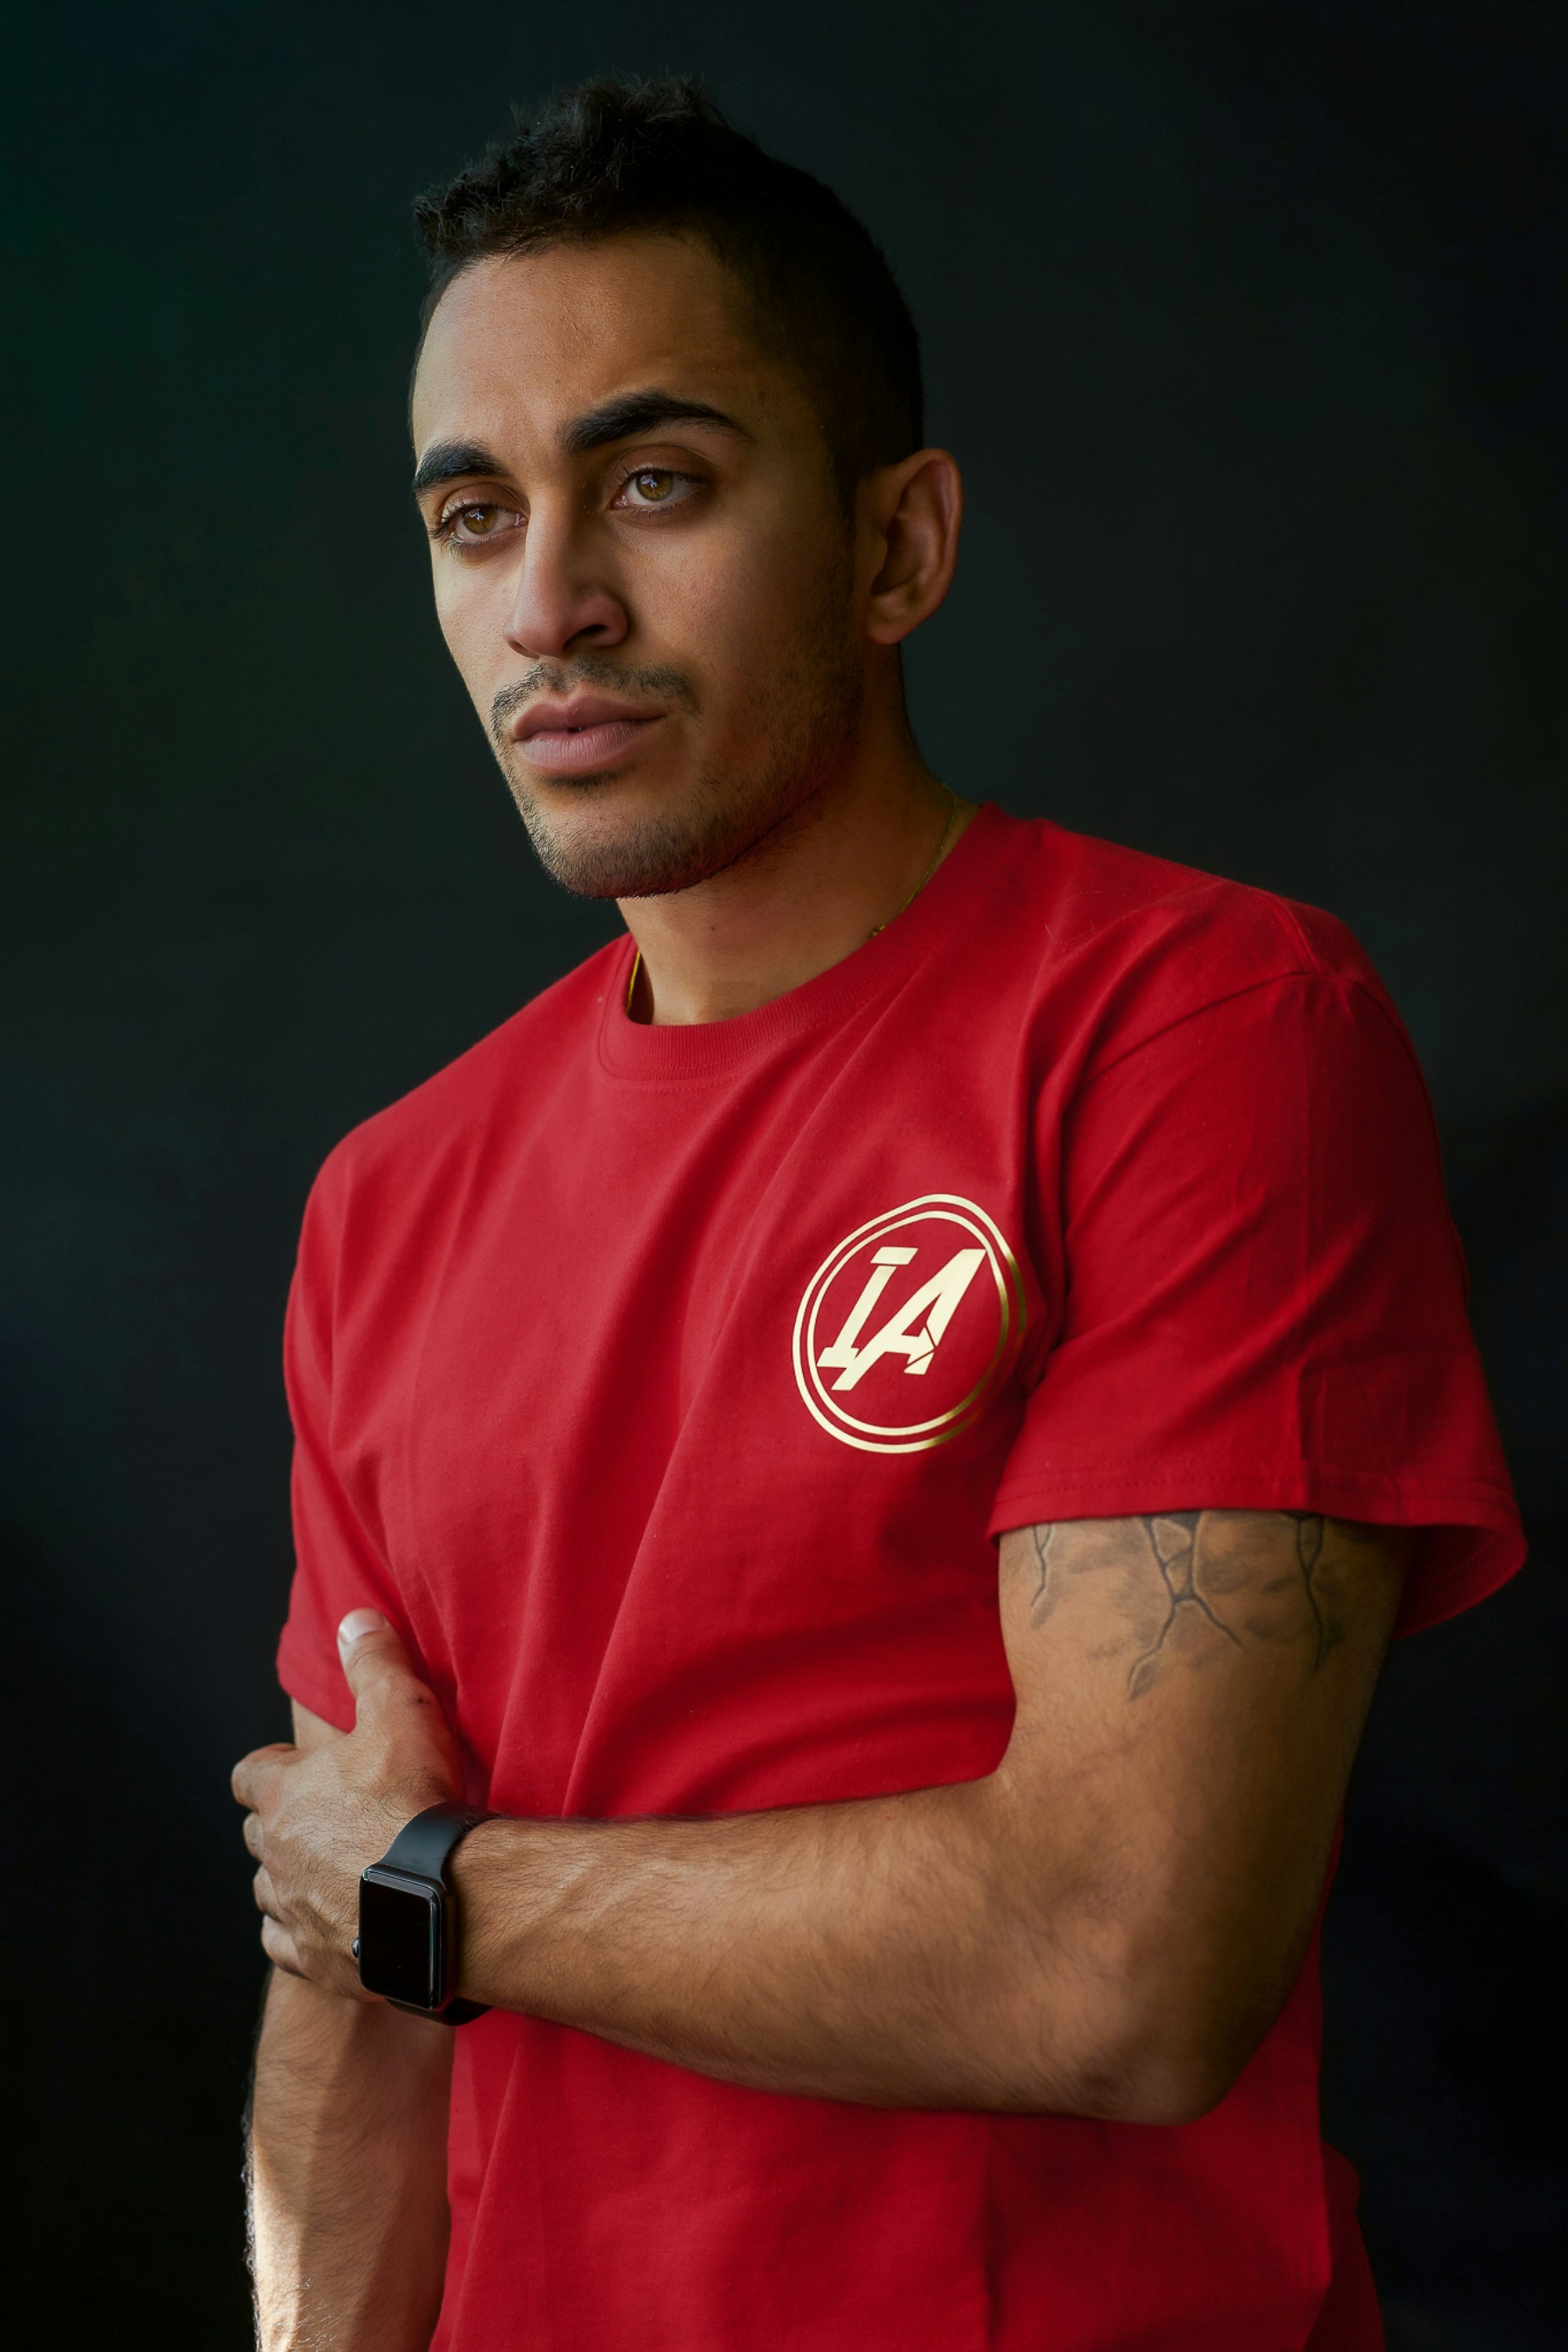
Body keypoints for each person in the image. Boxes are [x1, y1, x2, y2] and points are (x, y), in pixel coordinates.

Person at [230, 78, 1523, 2352]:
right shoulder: (388, 1202)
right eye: (470, 512)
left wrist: (438, 1892)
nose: (552, 600)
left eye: (657, 481)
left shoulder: (1197, 1027)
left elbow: (1121, 1960)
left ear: (897, 546)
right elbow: (353, 2003)